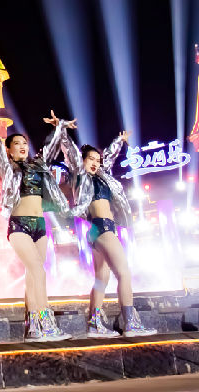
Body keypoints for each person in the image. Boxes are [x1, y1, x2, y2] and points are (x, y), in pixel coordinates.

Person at [0, 107, 73, 341]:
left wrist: (58, 127)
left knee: (34, 275)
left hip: (40, 225)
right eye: (17, 143)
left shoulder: (37, 165)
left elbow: (51, 149)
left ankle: (32, 327)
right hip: (19, 226)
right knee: (38, 270)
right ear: (9, 150)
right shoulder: (6, 167)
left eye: (24, 143)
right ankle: (46, 322)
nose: (22, 146)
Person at [61, 127, 157, 338]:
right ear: (81, 161)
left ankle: (95, 325)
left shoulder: (102, 177)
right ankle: (130, 323)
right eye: (90, 159)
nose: (95, 163)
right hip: (102, 227)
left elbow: (110, 157)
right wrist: (62, 130)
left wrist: (119, 140)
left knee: (101, 280)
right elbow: (71, 152)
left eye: (97, 160)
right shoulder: (80, 177)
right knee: (124, 273)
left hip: (100, 230)